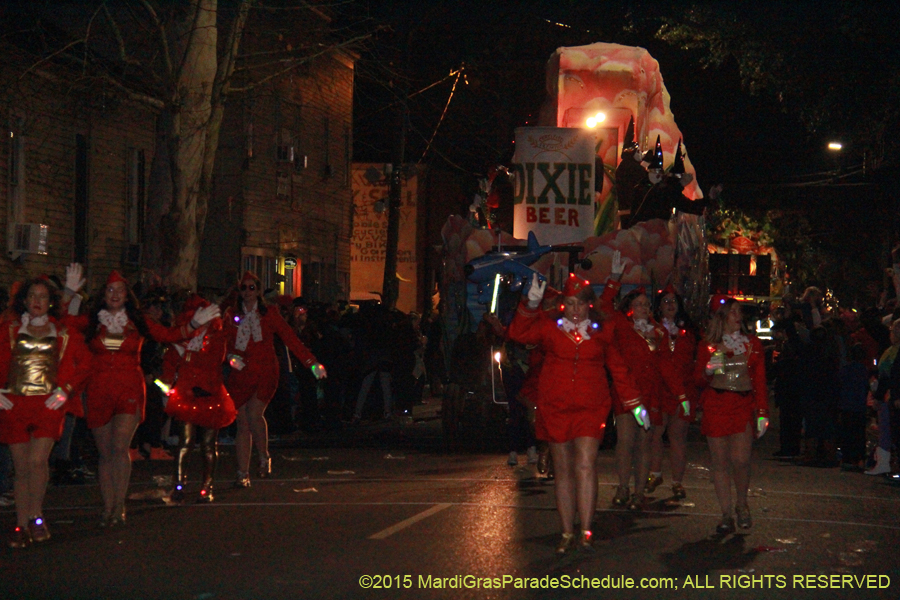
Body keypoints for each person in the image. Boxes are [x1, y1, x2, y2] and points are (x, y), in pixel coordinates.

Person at [66, 266, 221, 527]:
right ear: (104, 295)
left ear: (127, 295)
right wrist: (69, 294)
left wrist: (194, 323)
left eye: (120, 290)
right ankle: (108, 506)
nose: (115, 294)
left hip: (129, 387)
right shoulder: (92, 321)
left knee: (119, 447)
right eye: (110, 290)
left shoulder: (137, 321)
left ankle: (118, 507)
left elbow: (169, 335)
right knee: (105, 453)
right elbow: (63, 323)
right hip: (99, 389)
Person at [508, 273, 641, 554]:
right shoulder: (549, 328)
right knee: (564, 469)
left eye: (580, 303)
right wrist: (530, 304)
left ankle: (586, 529)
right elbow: (518, 334)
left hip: (591, 406)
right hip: (555, 405)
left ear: (588, 305)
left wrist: (635, 403)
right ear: (562, 306)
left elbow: (617, 367)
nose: (576, 309)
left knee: (585, 465)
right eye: (570, 304)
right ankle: (567, 531)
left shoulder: (601, 331)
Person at [0, 277, 90, 547]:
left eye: (42, 296)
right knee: (21, 467)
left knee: (38, 462)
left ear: (50, 301)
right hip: (14, 403)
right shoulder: (9, 330)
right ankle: (20, 522)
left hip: (48, 404)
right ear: (24, 301)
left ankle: (35, 517)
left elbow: (85, 363)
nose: (37, 301)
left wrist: (66, 389)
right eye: (32, 296)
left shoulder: (62, 331)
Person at [601, 254, 686, 511]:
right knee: (625, 440)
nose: (643, 308)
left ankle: (639, 492)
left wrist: (681, 395)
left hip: (651, 393)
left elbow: (666, 366)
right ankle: (623, 487)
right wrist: (614, 280)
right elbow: (603, 306)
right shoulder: (621, 325)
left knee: (645, 441)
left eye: (646, 304)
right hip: (626, 393)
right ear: (629, 307)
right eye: (638, 304)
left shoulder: (658, 332)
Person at [224, 272, 326, 488]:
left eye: (252, 288)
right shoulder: (232, 316)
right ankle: (242, 473)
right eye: (244, 288)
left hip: (265, 371)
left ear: (259, 291)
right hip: (241, 373)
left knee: (254, 414)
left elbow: (290, 338)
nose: (248, 292)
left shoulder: (269, 313)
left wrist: (312, 363)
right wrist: (230, 357)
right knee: (242, 422)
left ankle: (263, 456)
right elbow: (224, 343)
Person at [695, 298, 769, 534]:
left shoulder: (752, 344)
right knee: (719, 462)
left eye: (739, 312)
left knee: (741, 460)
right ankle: (726, 513)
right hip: (716, 404)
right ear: (722, 317)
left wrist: (762, 412)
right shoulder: (708, 344)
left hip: (742, 404)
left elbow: (759, 380)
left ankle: (742, 504)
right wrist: (716, 358)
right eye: (733, 312)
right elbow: (699, 379)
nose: (738, 316)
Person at [160, 295, 236, 503]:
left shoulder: (216, 337)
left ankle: (207, 485)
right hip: (186, 394)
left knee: (208, 443)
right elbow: (169, 362)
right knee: (185, 442)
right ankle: (179, 484)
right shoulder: (183, 338)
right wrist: (166, 383)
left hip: (209, 393)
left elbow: (215, 362)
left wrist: (190, 354)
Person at [651, 285, 699, 499]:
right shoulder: (652, 329)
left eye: (673, 301)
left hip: (684, 388)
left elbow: (695, 360)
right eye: (666, 301)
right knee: (655, 433)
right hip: (659, 388)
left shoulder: (688, 332)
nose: (670, 305)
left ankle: (677, 482)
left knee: (678, 436)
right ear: (659, 307)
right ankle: (655, 473)